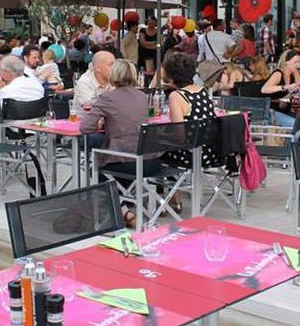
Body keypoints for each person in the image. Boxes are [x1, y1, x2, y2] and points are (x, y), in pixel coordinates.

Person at [80, 59, 152, 228]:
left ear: (113, 75)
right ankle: (125, 203)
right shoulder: (142, 96)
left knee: (97, 167)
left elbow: (85, 128)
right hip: (149, 159)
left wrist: (102, 121)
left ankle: (121, 210)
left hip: (124, 159)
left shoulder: (107, 98)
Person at [161, 52, 221, 210]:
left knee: (156, 153)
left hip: (189, 154)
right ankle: (171, 198)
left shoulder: (176, 96)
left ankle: (172, 200)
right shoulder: (202, 91)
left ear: (170, 75)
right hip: (209, 152)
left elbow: (179, 134)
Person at [261, 50, 300, 128]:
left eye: (299, 62)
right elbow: (264, 89)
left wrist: (289, 95)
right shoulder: (278, 74)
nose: (297, 65)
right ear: (286, 62)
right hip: (272, 112)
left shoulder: (293, 74)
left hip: (284, 111)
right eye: (295, 62)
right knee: (297, 125)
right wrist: (284, 87)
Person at [72, 50, 116, 116]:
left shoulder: (113, 80)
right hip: (84, 123)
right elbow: (91, 106)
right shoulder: (84, 82)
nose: (115, 68)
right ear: (98, 68)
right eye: (111, 65)